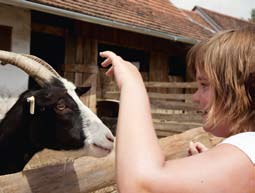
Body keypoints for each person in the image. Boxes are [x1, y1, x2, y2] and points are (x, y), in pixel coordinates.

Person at [100, 27, 255, 193]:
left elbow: (141, 185)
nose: (195, 97)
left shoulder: (249, 145)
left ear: (240, 89)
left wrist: (132, 84)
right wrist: (209, 173)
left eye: (204, 85)